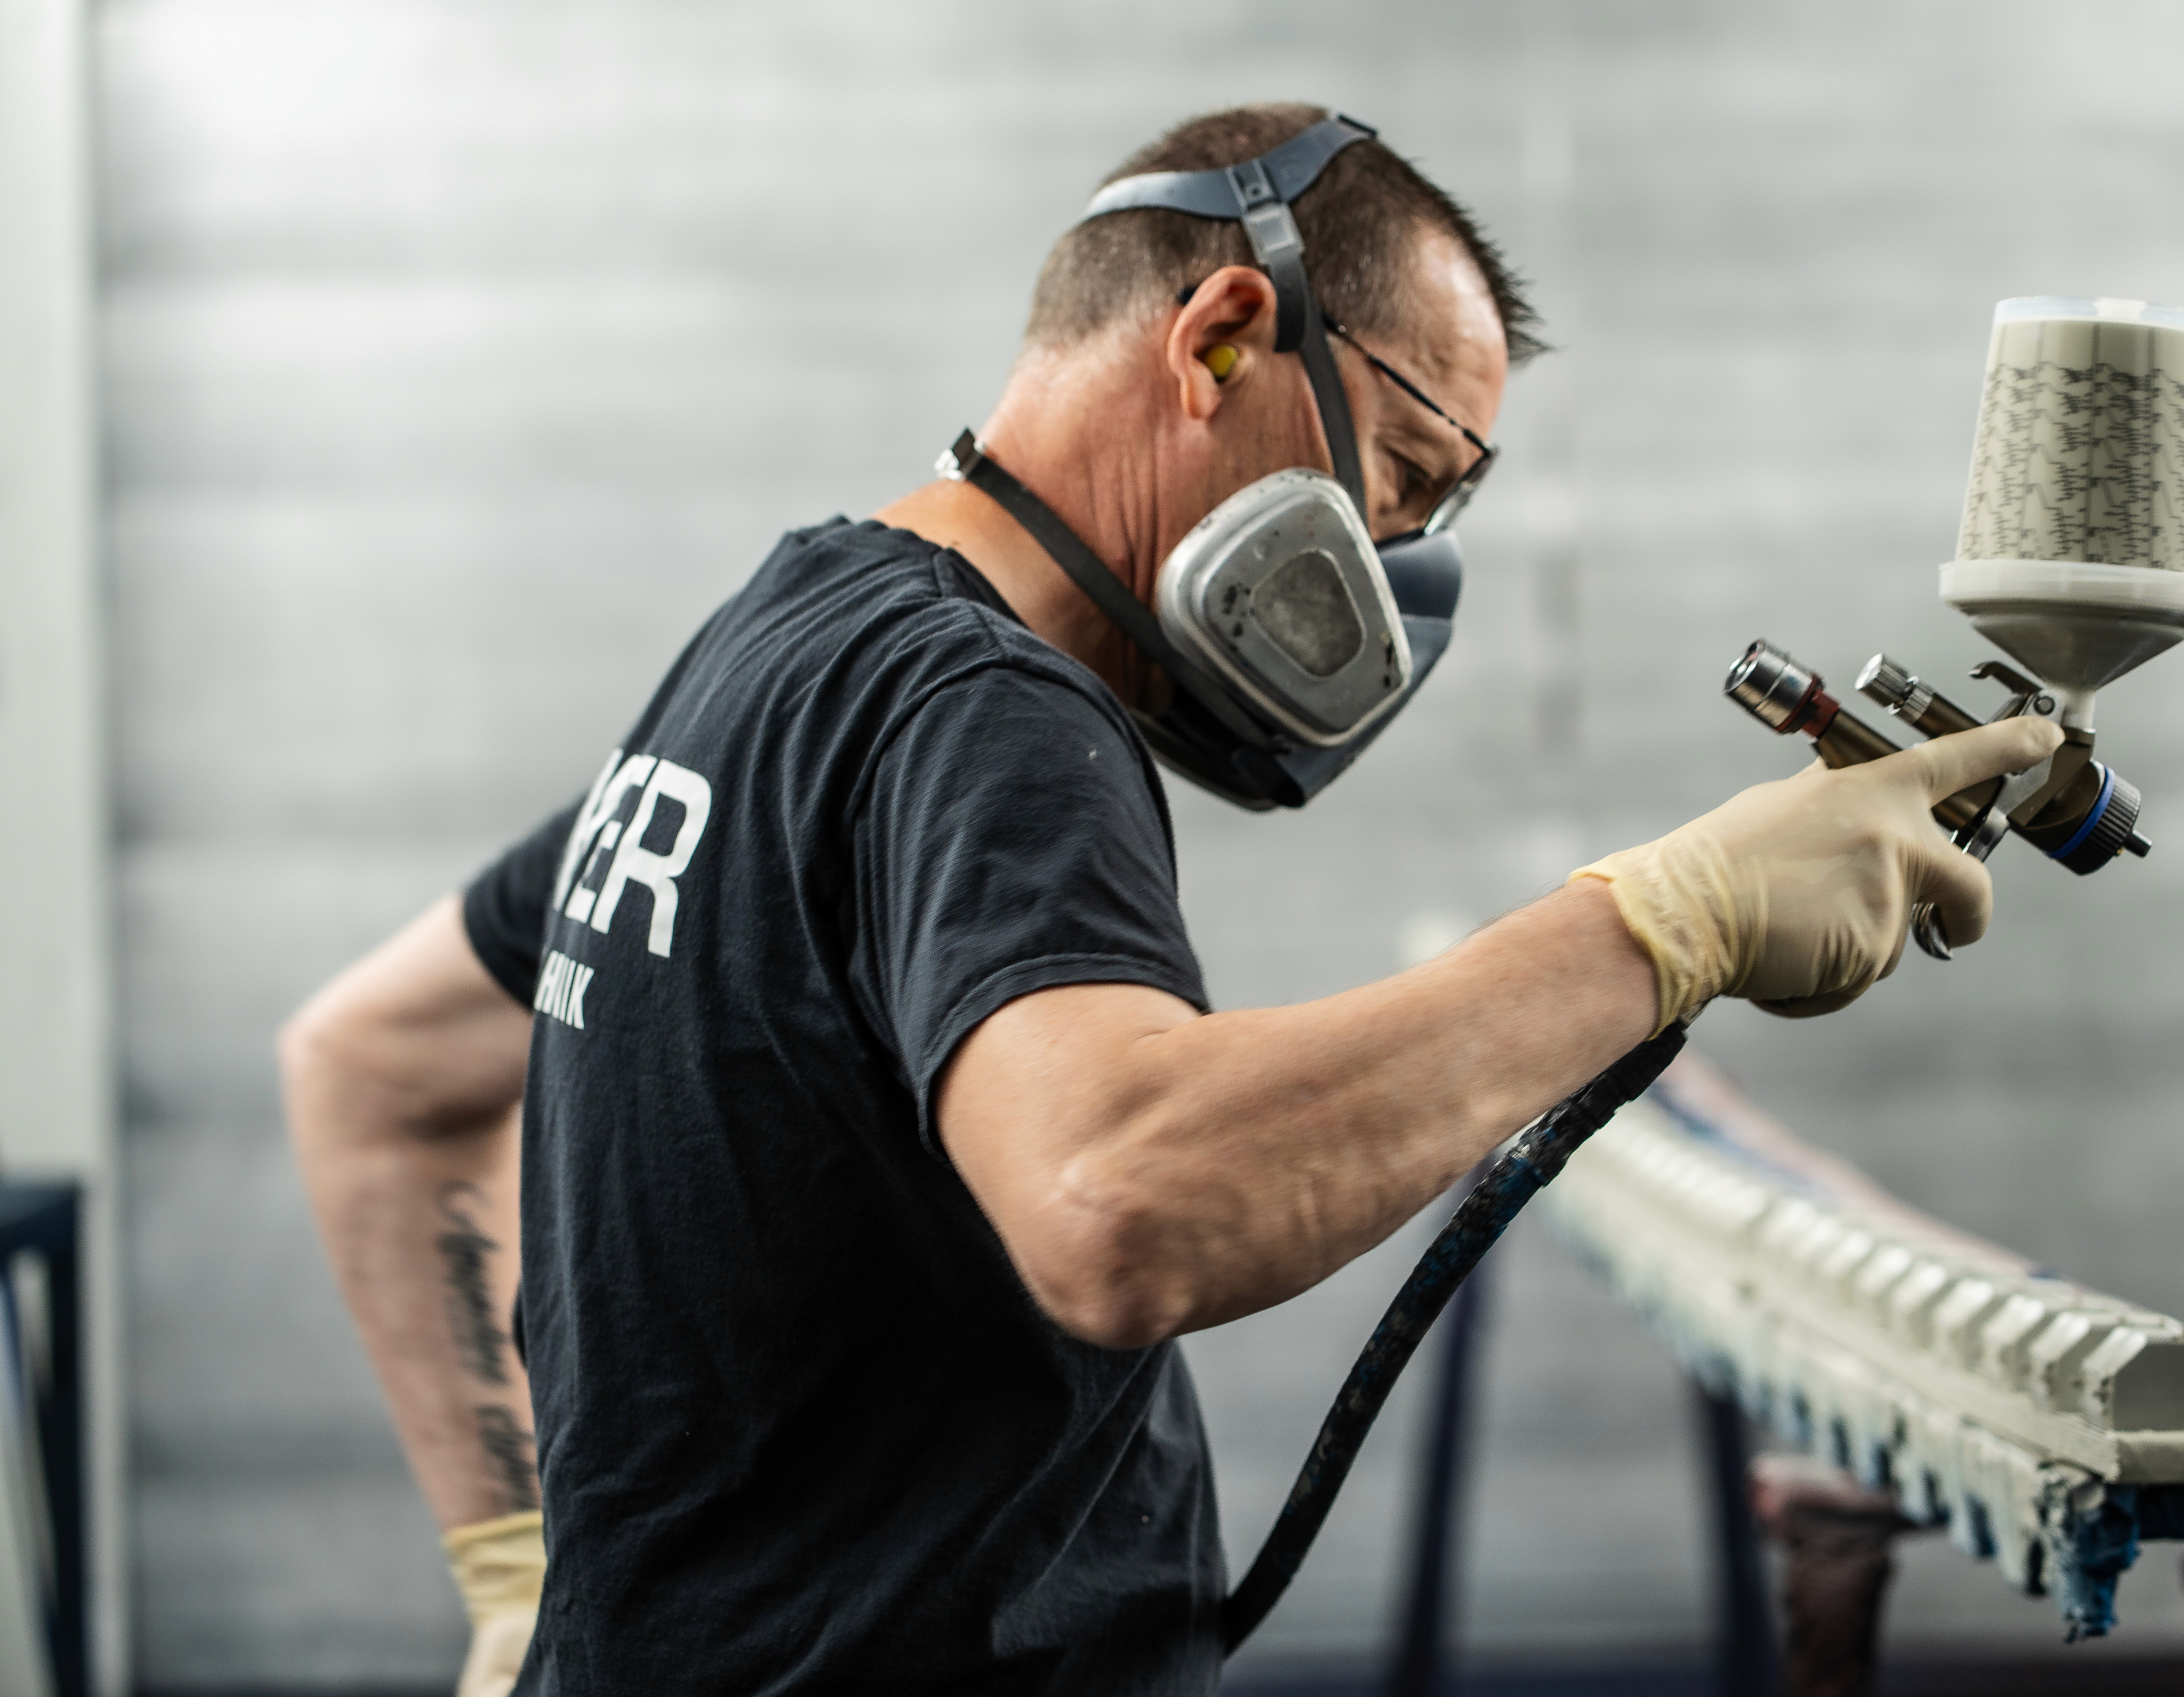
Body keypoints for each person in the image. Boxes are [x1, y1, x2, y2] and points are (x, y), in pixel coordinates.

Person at [281, 103, 2059, 1696]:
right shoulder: (986, 708)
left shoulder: (778, 643)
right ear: (1222, 335)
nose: (1391, 562)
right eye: (1405, 477)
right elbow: (1120, 1198)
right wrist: (1671, 921)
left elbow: (372, 1065)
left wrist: (524, 1579)